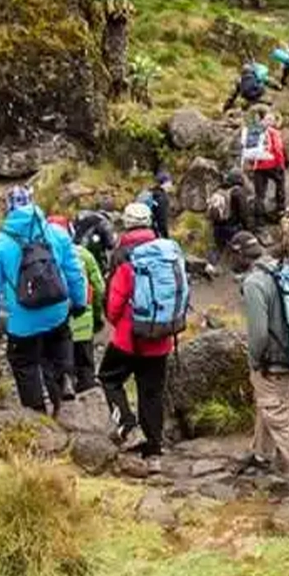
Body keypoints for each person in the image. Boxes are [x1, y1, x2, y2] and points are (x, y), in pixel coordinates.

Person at [0, 186, 88, 416]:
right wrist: (79, 302)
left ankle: (37, 414)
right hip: (56, 309)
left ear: (8, 208)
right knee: (59, 341)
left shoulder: (0, 242)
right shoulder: (56, 233)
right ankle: (65, 379)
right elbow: (74, 272)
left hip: (22, 318)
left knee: (23, 362)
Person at [228, 231, 289, 493]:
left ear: (239, 254)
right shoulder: (276, 269)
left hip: (272, 361)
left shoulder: (254, 283)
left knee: (279, 413)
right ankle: (261, 456)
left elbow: (258, 333)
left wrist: (255, 361)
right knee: (267, 406)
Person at [99, 202, 178, 471]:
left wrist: (116, 322)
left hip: (129, 337)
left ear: (127, 223)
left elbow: (114, 302)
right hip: (162, 336)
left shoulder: (123, 255)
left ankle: (128, 426)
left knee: (109, 378)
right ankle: (154, 452)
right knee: (152, 392)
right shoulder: (166, 250)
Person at [49, 215, 105, 396]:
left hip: (55, 320)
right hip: (83, 318)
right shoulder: (84, 254)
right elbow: (99, 288)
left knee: (58, 363)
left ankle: (61, 406)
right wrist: (98, 317)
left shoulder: (43, 254)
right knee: (85, 365)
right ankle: (92, 410)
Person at [242, 105, 288, 226]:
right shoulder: (273, 132)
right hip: (272, 164)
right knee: (280, 183)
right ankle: (280, 209)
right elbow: (278, 149)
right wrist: (281, 165)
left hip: (258, 165)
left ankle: (259, 220)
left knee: (259, 194)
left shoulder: (254, 131)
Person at [207, 170, 251, 262]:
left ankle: (213, 266)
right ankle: (234, 270)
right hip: (232, 227)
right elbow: (244, 213)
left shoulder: (219, 190)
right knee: (237, 250)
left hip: (217, 227)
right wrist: (247, 228)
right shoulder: (238, 192)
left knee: (219, 249)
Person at [72, 204, 117, 272]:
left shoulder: (84, 217)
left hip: (76, 248)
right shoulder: (105, 222)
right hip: (93, 253)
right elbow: (110, 244)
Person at [148, 172, 174, 241]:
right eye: (170, 182)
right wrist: (166, 237)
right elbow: (162, 220)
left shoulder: (151, 193)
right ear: (165, 183)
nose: (171, 185)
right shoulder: (162, 197)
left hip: (146, 229)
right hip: (155, 233)